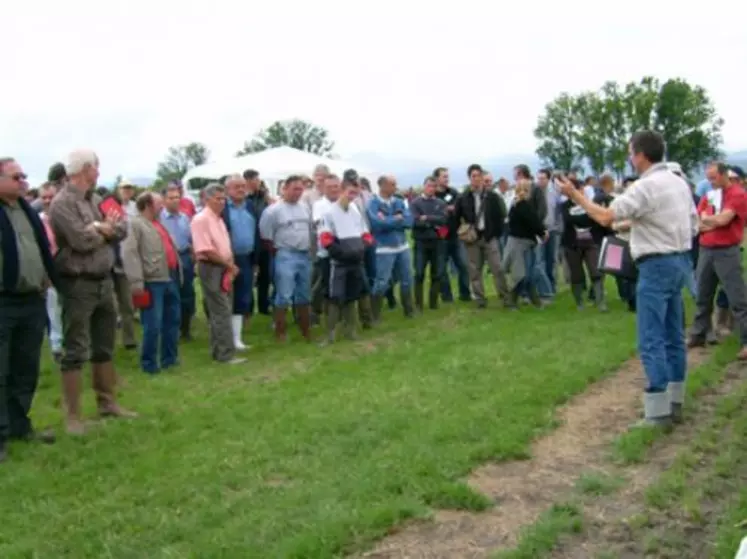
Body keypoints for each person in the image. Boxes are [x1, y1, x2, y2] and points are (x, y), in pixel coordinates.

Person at [557, 130, 698, 427]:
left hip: (655, 265)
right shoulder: (678, 183)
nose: (630, 158)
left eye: (631, 153)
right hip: (680, 261)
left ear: (641, 155)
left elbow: (605, 217)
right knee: (673, 335)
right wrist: (640, 225)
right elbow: (693, 224)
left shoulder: (645, 186)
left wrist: (575, 195)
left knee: (651, 337)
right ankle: (675, 400)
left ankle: (656, 410)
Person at [49, 149, 137, 435]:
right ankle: (73, 416)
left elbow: (122, 228)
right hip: (78, 283)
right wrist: (103, 229)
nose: (99, 171)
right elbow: (80, 240)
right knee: (75, 347)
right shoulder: (62, 203)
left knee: (104, 343)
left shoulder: (96, 199)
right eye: (96, 166)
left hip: (103, 280)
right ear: (86, 168)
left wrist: (101, 227)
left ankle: (107, 402)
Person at [0, 158, 57, 463]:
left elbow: (41, 250)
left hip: (32, 299)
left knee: (26, 366)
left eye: (23, 176)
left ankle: (20, 425)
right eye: (16, 176)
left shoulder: (27, 211)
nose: (23, 181)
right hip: (4, 301)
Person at [689, 162, 747, 360]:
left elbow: (724, 219)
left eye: (714, 177)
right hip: (706, 249)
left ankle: (746, 341)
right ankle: (698, 334)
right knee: (703, 294)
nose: (710, 181)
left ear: (724, 175)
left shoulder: (737, 194)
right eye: (708, 177)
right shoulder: (710, 195)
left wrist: (709, 219)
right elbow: (698, 222)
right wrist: (709, 220)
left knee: (737, 296)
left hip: (727, 251)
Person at [122, 192, 182, 374]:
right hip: (151, 280)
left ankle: (169, 358)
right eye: (158, 203)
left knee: (172, 320)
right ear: (148, 205)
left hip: (169, 277)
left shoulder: (158, 224)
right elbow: (129, 253)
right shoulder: (135, 224)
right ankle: (149, 363)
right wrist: (136, 281)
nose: (162, 206)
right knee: (152, 324)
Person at [191, 183, 244, 364]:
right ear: (206, 199)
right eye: (218, 199)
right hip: (211, 267)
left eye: (223, 199)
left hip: (223, 266)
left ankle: (219, 351)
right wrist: (228, 265)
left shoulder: (218, 218)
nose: (222, 202)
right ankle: (225, 354)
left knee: (224, 309)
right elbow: (206, 250)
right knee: (220, 310)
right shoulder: (201, 219)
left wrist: (230, 264)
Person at [259, 175, 313, 342]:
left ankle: (306, 331)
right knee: (284, 294)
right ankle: (280, 332)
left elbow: (310, 229)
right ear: (285, 189)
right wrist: (278, 253)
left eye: (300, 189)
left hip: (304, 254)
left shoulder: (305, 207)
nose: (298, 192)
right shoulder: (273, 211)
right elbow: (266, 237)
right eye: (295, 189)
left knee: (304, 294)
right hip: (285, 254)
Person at [317, 179, 373, 343]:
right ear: (342, 191)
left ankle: (350, 331)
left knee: (352, 296)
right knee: (335, 297)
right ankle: (330, 334)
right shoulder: (329, 213)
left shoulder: (355, 210)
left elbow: (366, 234)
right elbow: (325, 238)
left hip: (356, 261)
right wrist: (339, 252)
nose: (352, 196)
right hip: (339, 262)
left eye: (355, 194)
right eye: (350, 192)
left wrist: (362, 247)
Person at [454, 164, 510, 308]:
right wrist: (462, 233)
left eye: (479, 176)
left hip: (489, 237)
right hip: (472, 240)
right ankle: (480, 299)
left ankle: (505, 297)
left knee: (498, 269)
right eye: (473, 176)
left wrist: (495, 234)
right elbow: (456, 218)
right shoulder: (463, 198)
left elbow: (501, 216)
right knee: (474, 271)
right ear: (469, 178)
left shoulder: (492, 196)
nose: (476, 179)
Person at [367, 175, 414, 319]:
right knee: (382, 281)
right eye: (393, 184)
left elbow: (409, 221)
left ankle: (409, 310)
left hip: (402, 246)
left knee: (407, 279)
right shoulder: (373, 204)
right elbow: (377, 224)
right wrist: (396, 219)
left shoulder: (399, 201)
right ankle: (374, 315)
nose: (396, 187)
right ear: (383, 186)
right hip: (384, 248)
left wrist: (389, 220)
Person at [223, 175, 256, 351]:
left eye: (243, 186)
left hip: (246, 258)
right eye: (237, 187)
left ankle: (237, 338)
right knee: (225, 297)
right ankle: (224, 336)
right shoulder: (222, 208)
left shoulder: (250, 206)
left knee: (243, 297)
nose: (241, 190)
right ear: (227, 189)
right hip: (226, 259)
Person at [503, 180, 548, 308]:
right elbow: (534, 223)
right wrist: (543, 232)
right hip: (521, 244)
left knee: (525, 274)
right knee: (523, 274)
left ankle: (533, 301)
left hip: (518, 243)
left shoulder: (515, 205)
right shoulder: (524, 206)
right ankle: (514, 301)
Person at [160, 183, 195, 340]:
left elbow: (190, 239)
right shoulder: (158, 219)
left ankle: (185, 329)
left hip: (185, 257)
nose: (175, 201)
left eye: (177, 198)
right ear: (163, 200)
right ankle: (171, 329)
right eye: (171, 198)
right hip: (166, 260)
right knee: (170, 295)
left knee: (186, 293)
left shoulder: (185, 218)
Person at [409, 176, 449, 311]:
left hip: (437, 242)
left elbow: (443, 220)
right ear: (424, 186)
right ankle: (419, 304)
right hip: (421, 242)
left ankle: (433, 303)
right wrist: (433, 222)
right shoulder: (415, 203)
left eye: (434, 186)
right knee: (419, 273)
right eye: (429, 186)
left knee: (437, 274)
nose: (431, 188)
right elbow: (415, 222)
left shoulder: (440, 202)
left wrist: (426, 218)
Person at [433, 167, 471, 302]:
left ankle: (465, 294)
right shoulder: (433, 195)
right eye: (444, 176)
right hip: (440, 237)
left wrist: (454, 209)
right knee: (442, 269)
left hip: (455, 235)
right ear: (436, 179)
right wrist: (444, 209)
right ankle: (447, 297)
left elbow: (460, 208)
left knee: (464, 265)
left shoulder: (453, 192)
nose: (447, 179)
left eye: (447, 176)